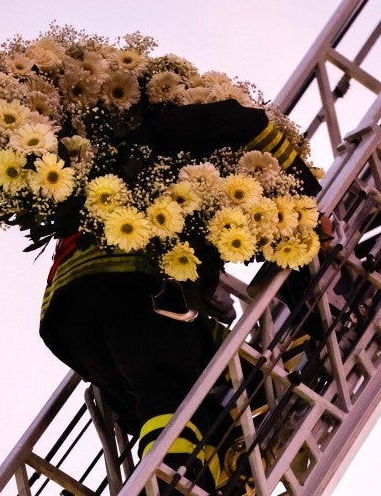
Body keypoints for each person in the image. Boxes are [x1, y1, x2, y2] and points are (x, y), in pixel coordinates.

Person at [38, 98, 322, 493]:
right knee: (167, 388)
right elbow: (241, 122)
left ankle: (197, 467)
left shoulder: (108, 159)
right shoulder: (179, 137)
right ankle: (179, 482)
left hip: (67, 318)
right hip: (129, 286)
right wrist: (310, 202)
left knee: (170, 402)